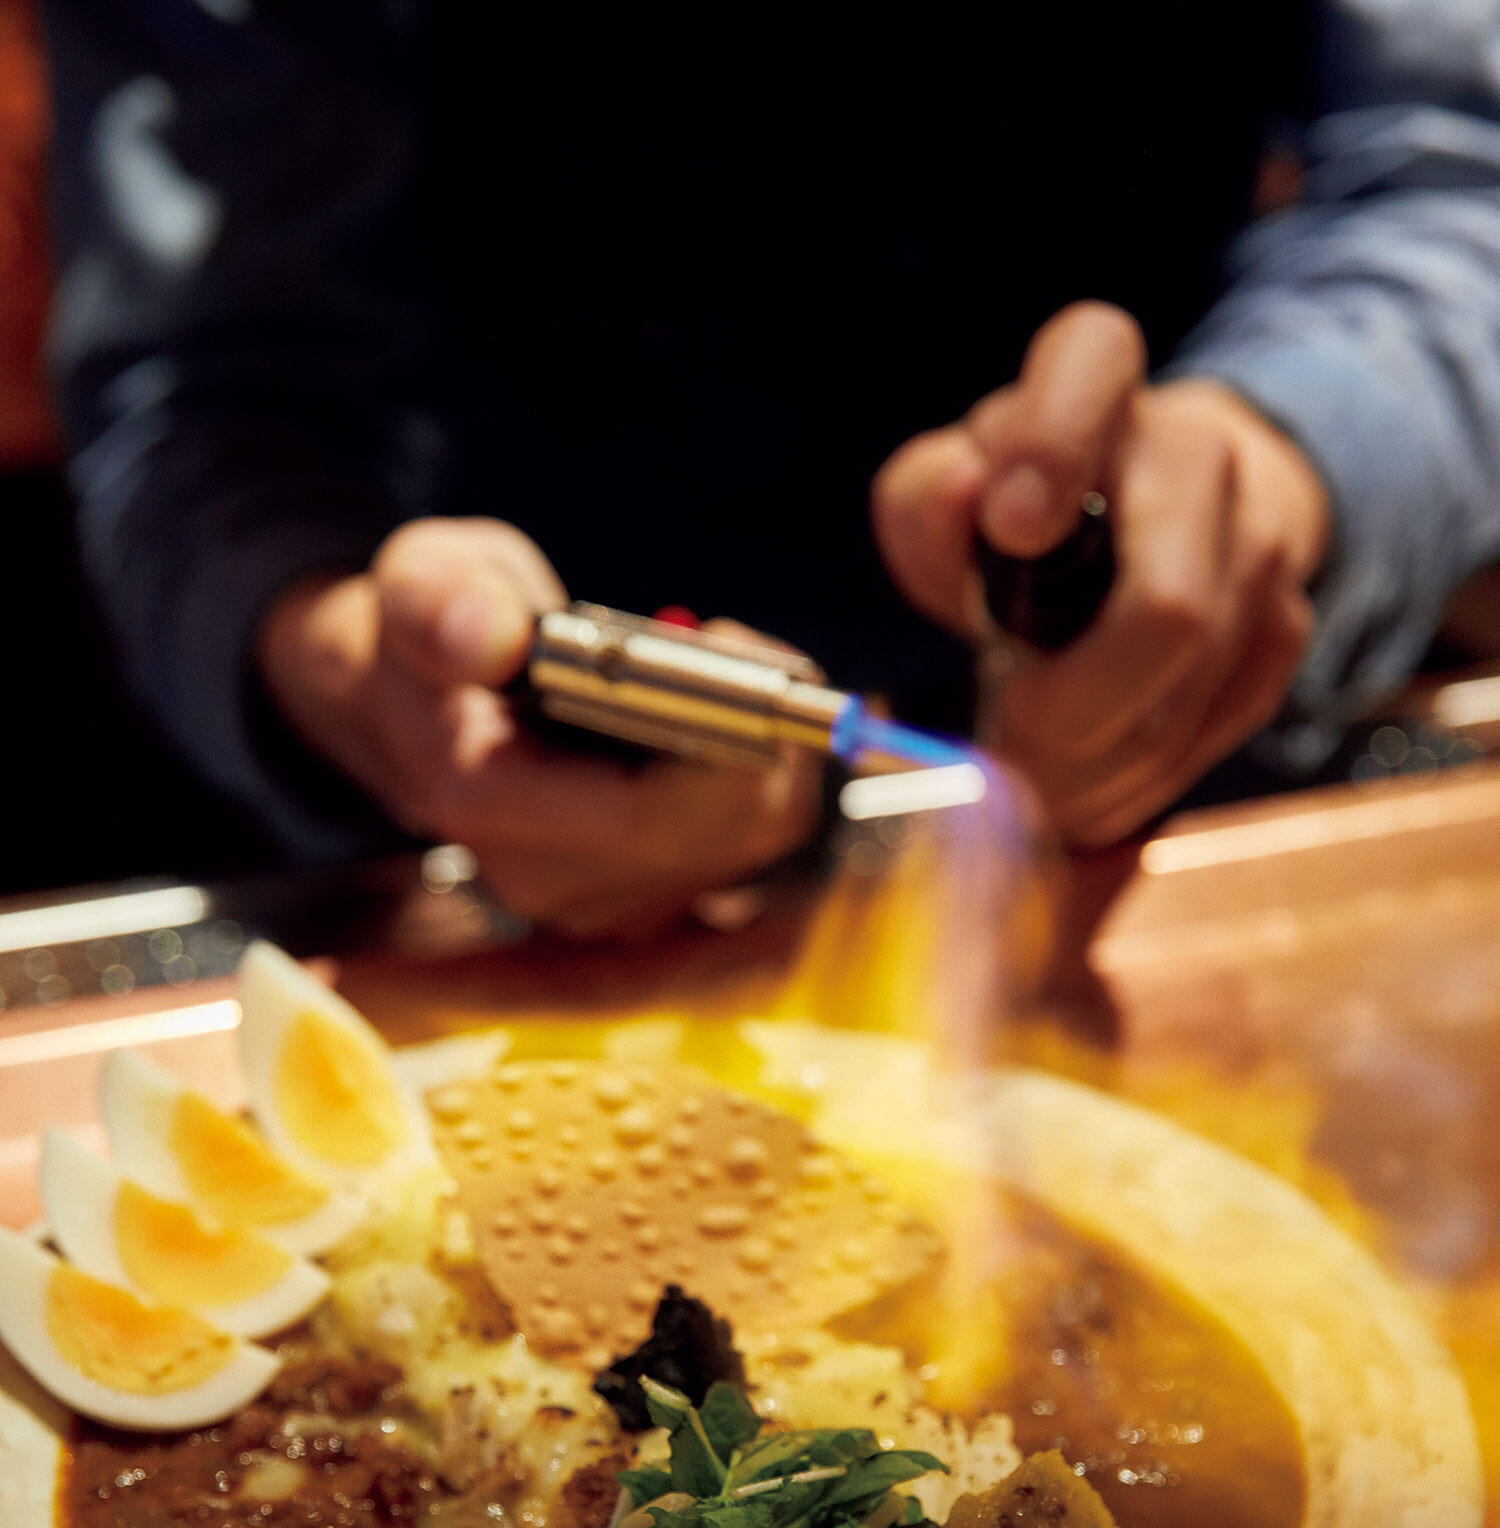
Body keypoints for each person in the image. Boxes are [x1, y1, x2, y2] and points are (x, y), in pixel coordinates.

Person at [38, 4, 1500, 932]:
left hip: (1183, 789)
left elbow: (1459, 175)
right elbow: (211, 382)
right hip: (526, 864)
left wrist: (1273, 460)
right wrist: (352, 672)